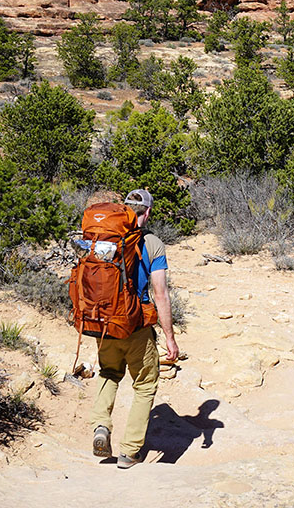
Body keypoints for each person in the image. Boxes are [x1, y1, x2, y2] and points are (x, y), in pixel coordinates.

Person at [89, 188, 180, 469]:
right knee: (144, 384)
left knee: (109, 373)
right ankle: (129, 452)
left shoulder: (105, 237)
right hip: (136, 324)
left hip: (103, 322)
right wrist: (170, 338)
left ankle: (101, 427)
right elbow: (160, 293)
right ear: (148, 212)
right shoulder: (152, 243)